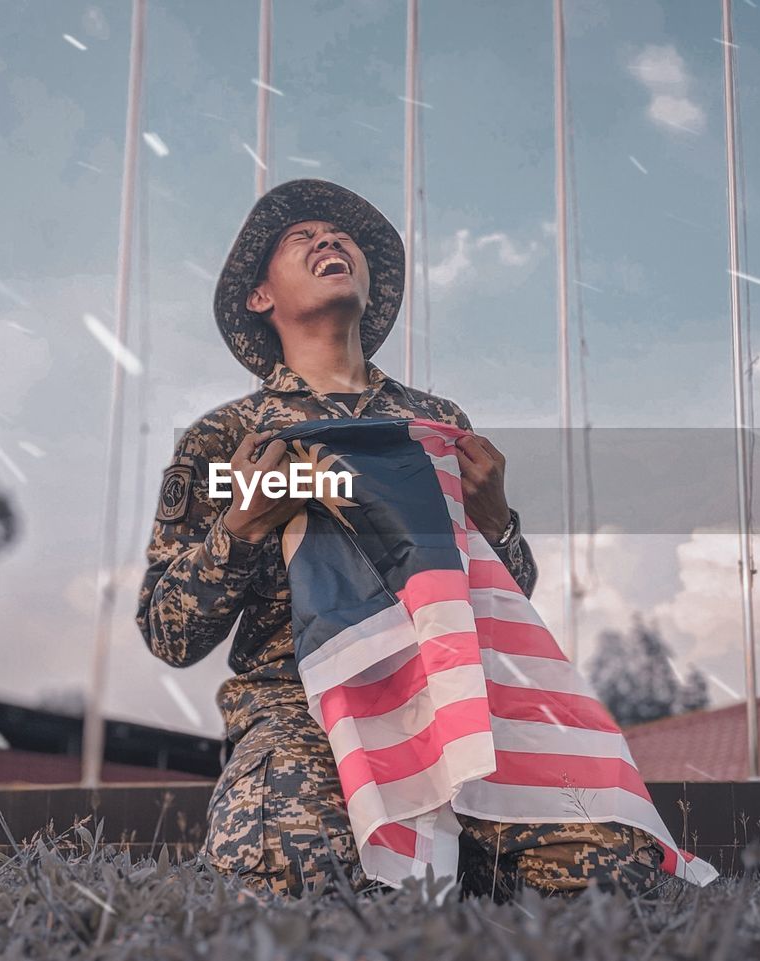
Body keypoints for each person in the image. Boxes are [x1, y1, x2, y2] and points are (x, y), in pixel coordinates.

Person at [136, 179, 664, 901]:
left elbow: (498, 592)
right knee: (288, 862)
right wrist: (241, 525)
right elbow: (168, 631)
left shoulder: (436, 421)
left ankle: (455, 849)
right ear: (260, 297)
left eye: (341, 236)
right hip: (304, 704)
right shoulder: (225, 438)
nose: (330, 241)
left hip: (451, 693)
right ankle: (420, 854)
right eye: (303, 238)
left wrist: (496, 522)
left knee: (615, 871)